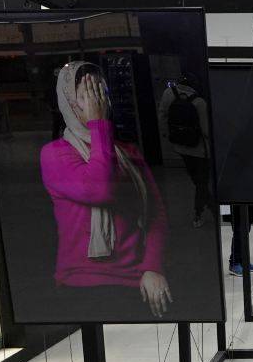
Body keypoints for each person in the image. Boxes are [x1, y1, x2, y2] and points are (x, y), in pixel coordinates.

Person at [42, 61, 172, 318]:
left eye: (101, 92)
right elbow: (100, 189)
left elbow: (155, 214)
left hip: (136, 277)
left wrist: (152, 267)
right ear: (69, 103)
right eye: (86, 96)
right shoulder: (54, 154)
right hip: (83, 281)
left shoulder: (127, 151)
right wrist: (99, 126)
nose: (97, 102)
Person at [158, 72, 212, 228]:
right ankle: (199, 213)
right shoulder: (199, 102)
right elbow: (206, 130)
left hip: (180, 147)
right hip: (200, 150)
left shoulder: (168, 93)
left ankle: (209, 206)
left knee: (197, 180)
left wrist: (167, 135)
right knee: (202, 182)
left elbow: (162, 116)